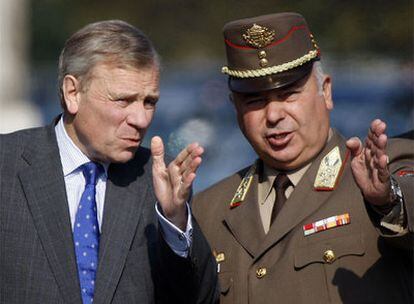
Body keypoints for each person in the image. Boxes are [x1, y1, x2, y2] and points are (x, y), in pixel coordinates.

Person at [193, 12, 413, 304]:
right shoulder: (208, 209)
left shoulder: (382, 170)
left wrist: (389, 203)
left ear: (326, 91)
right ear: (235, 107)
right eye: (255, 100)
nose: (273, 115)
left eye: (289, 94)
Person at [0, 20, 218, 304]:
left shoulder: (156, 182)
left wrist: (175, 222)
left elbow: (199, 299)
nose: (141, 119)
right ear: (73, 93)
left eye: (149, 102)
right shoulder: (8, 166)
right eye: (123, 101)